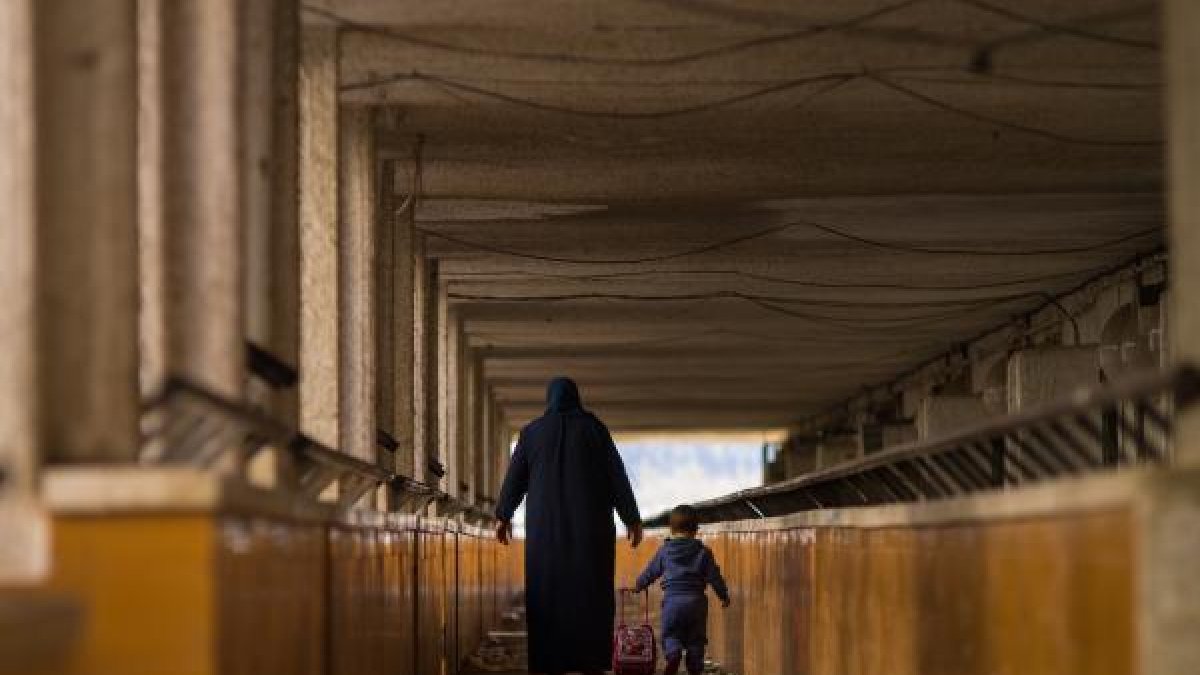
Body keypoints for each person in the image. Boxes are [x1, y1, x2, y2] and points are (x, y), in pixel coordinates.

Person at [495, 377, 643, 675]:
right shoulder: (595, 431)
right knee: (591, 592)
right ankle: (590, 661)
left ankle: (549, 662)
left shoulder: (532, 434)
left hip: (544, 533)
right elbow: (617, 477)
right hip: (592, 532)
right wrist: (632, 519)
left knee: (545, 592)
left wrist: (503, 515)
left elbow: (514, 480)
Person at [629, 504, 730, 675]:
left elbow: (651, 571)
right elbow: (714, 577)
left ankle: (674, 653)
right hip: (697, 603)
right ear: (696, 530)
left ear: (671, 529)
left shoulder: (665, 551)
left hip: (672, 603)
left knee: (670, 636)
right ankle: (695, 667)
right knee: (696, 640)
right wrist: (723, 595)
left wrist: (639, 585)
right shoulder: (704, 552)